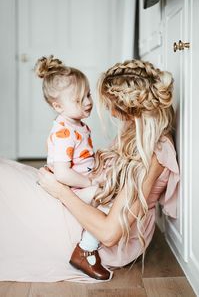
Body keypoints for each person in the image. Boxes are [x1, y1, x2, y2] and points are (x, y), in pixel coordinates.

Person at [0, 59, 180, 283]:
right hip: (87, 200)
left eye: (113, 105)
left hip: (95, 235)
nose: (111, 113)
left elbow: (108, 233)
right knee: (8, 173)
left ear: (132, 108)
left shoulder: (153, 153)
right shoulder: (134, 133)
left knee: (5, 183)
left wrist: (60, 191)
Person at [34, 55, 110, 280]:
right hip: (72, 188)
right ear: (58, 106)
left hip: (81, 180)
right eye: (79, 100)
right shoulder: (63, 132)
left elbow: (82, 158)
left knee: (113, 181)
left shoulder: (77, 124)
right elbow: (62, 173)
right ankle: (85, 249)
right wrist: (90, 182)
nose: (87, 102)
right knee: (107, 196)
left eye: (87, 94)